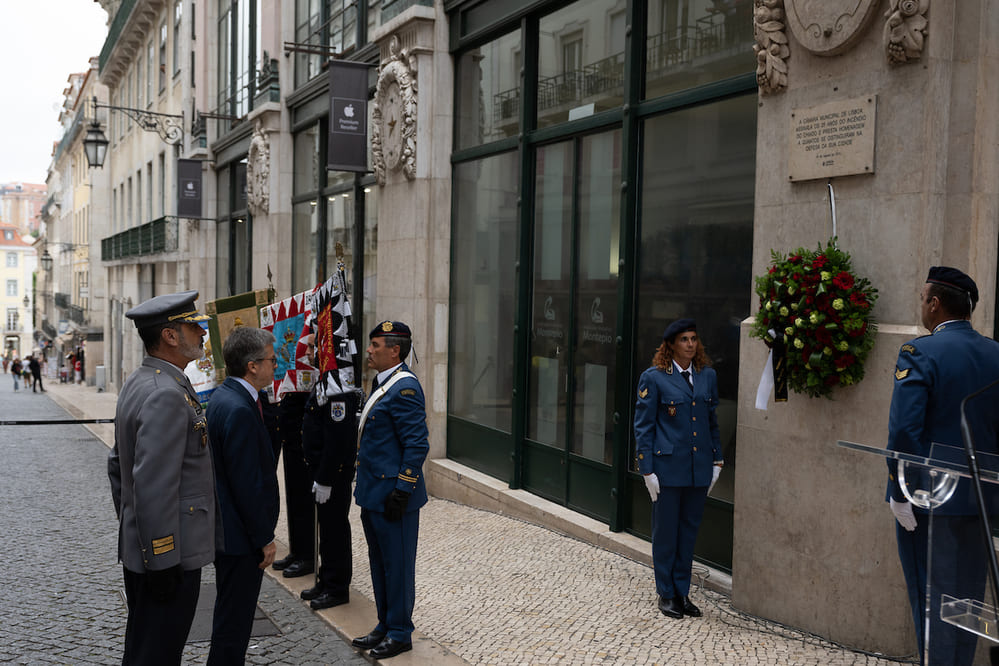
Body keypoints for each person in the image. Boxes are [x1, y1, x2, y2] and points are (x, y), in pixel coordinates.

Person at [886, 266, 999, 666]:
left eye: (922, 299)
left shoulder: (920, 352)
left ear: (934, 304)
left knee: (930, 596)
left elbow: (904, 431)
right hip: (982, 504)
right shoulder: (995, 353)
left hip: (930, 501)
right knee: (966, 601)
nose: (922, 306)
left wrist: (902, 492)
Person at [107, 290, 221, 666]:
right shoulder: (166, 393)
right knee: (157, 654)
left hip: (147, 551)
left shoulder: (143, 381)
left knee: (145, 648)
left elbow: (117, 467)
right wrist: (162, 555)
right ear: (171, 336)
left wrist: (134, 529)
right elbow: (154, 487)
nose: (203, 334)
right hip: (169, 558)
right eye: (194, 327)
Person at [633, 318, 723, 620]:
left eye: (694, 339)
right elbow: (643, 427)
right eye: (684, 339)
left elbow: (711, 421)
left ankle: (682, 592)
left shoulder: (707, 375)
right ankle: (667, 592)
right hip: (668, 469)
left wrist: (717, 461)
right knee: (666, 533)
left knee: (688, 533)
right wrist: (647, 469)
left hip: (698, 469)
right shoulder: (654, 377)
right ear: (671, 344)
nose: (690, 344)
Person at [351, 321, 429, 659]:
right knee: (380, 563)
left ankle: (400, 632)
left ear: (395, 350)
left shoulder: (404, 388)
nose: (369, 350)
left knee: (397, 567)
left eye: (376, 345)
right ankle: (384, 624)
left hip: (393, 497)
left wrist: (403, 489)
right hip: (373, 493)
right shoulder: (380, 383)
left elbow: (416, 444)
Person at [205, 326, 280, 665]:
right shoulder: (237, 408)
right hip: (240, 539)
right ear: (252, 365)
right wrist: (264, 537)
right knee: (234, 624)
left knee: (231, 619)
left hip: (230, 532)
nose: (275, 366)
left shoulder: (225, 397)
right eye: (271, 360)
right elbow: (245, 483)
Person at [300, 333, 360, 610]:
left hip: (333, 475)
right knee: (326, 528)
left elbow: (338, 438)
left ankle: (337, 587)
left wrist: (325, 478)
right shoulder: (326, 379)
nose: (309, 350)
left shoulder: (339, 387)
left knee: (335, 529)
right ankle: (326, 579)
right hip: (321, 471)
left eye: (314, 346)